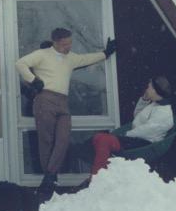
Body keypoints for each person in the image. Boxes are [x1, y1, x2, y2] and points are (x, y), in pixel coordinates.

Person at [15, 26, 116, 200]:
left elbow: (86, 58)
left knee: (63, 138)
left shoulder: (70, 58)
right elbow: (20, 63)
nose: (68, 47)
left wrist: (106, 53)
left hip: (62, 103)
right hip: (44, 99)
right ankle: (50, 180)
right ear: (55, 43)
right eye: (64, 44)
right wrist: (34, 80)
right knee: (46, 140)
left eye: (70, 43)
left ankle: (49, 176)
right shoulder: (43, 54)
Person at [89, 76, 174, 175]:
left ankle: (96, 176)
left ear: (155, 91)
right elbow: (137, 117)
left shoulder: (164, 113)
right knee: (98, 137)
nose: (146, 89)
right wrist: (144, 100)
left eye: (149, 87)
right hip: (136, 139)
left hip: (144, 144)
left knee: (104, 140)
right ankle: (103, 172)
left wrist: (126, 134)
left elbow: (145, 132)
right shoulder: (155, 105)